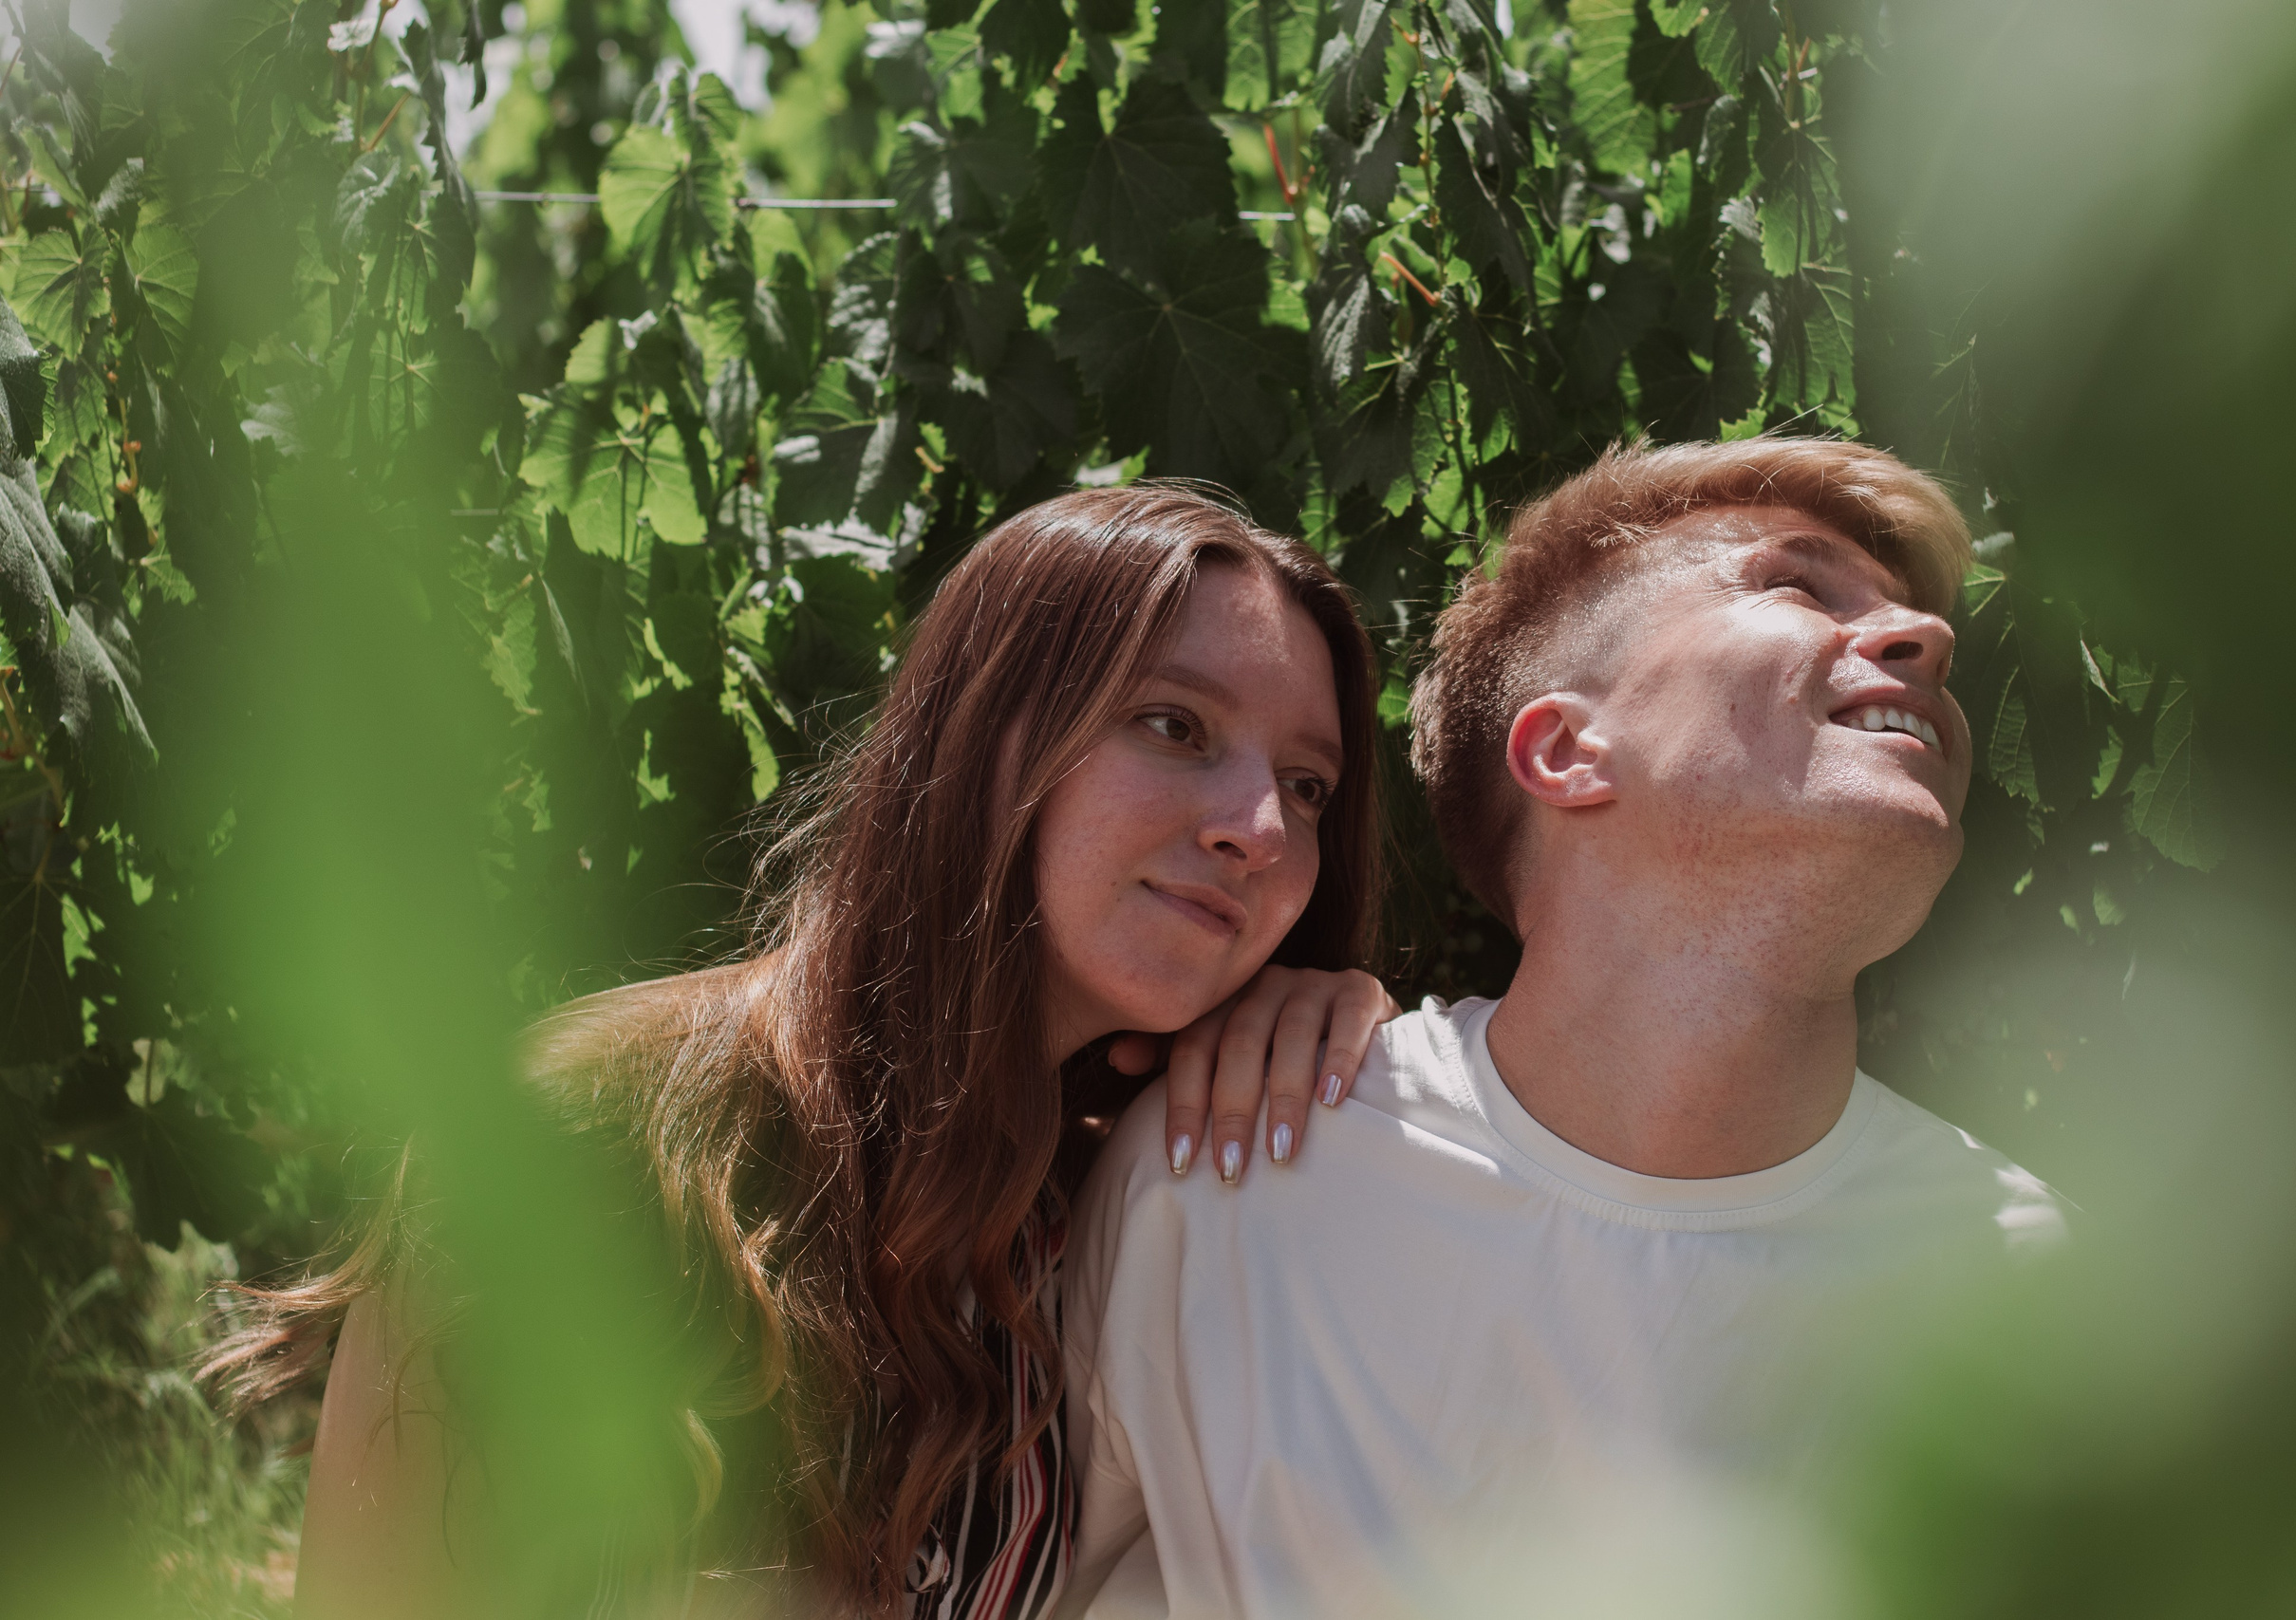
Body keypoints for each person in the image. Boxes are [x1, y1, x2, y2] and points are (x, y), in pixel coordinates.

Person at [204, 487, 1401, 1619]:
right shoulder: (600, 1128)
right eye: (1174, 724)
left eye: (1306, 787)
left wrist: (1369, 1069)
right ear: (982, 732)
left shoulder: (1137, 1209)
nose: (1256, 830)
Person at [1056, 438, 2069, 1618]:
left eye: (1913, 620)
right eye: (1794, 587)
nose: (1927, 642)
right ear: (1564, 750)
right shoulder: (1219, 1175)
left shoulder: (2041, 1298)